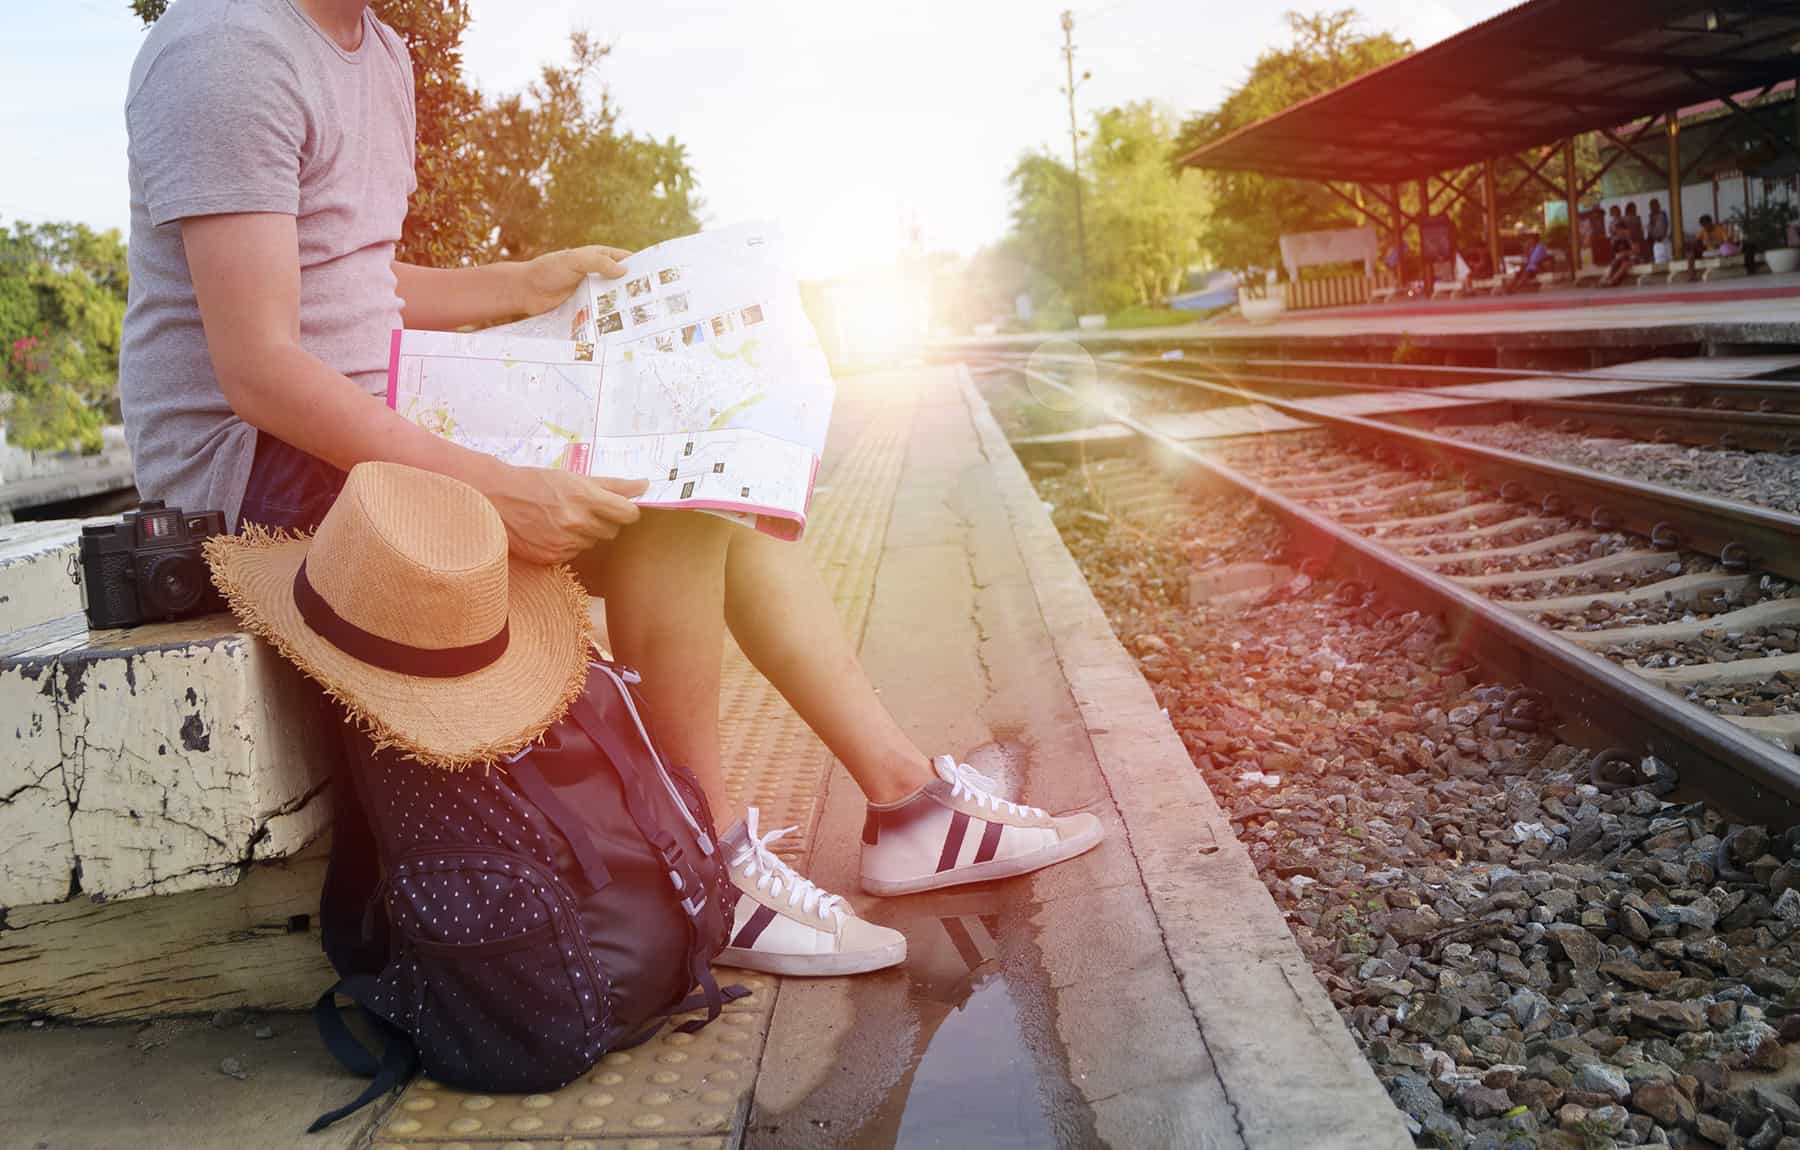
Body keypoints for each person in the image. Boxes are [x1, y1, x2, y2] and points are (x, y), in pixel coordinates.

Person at [121, 0, 1102, 978]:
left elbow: (352, 280)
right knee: (662, 500)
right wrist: (499, 487)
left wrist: (520, 282)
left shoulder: (376, 54)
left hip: (376, 411)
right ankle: (702, 861)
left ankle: (905, 802)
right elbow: (260, 369)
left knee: (714, 462)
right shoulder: (226, 51)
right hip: (255, 467)